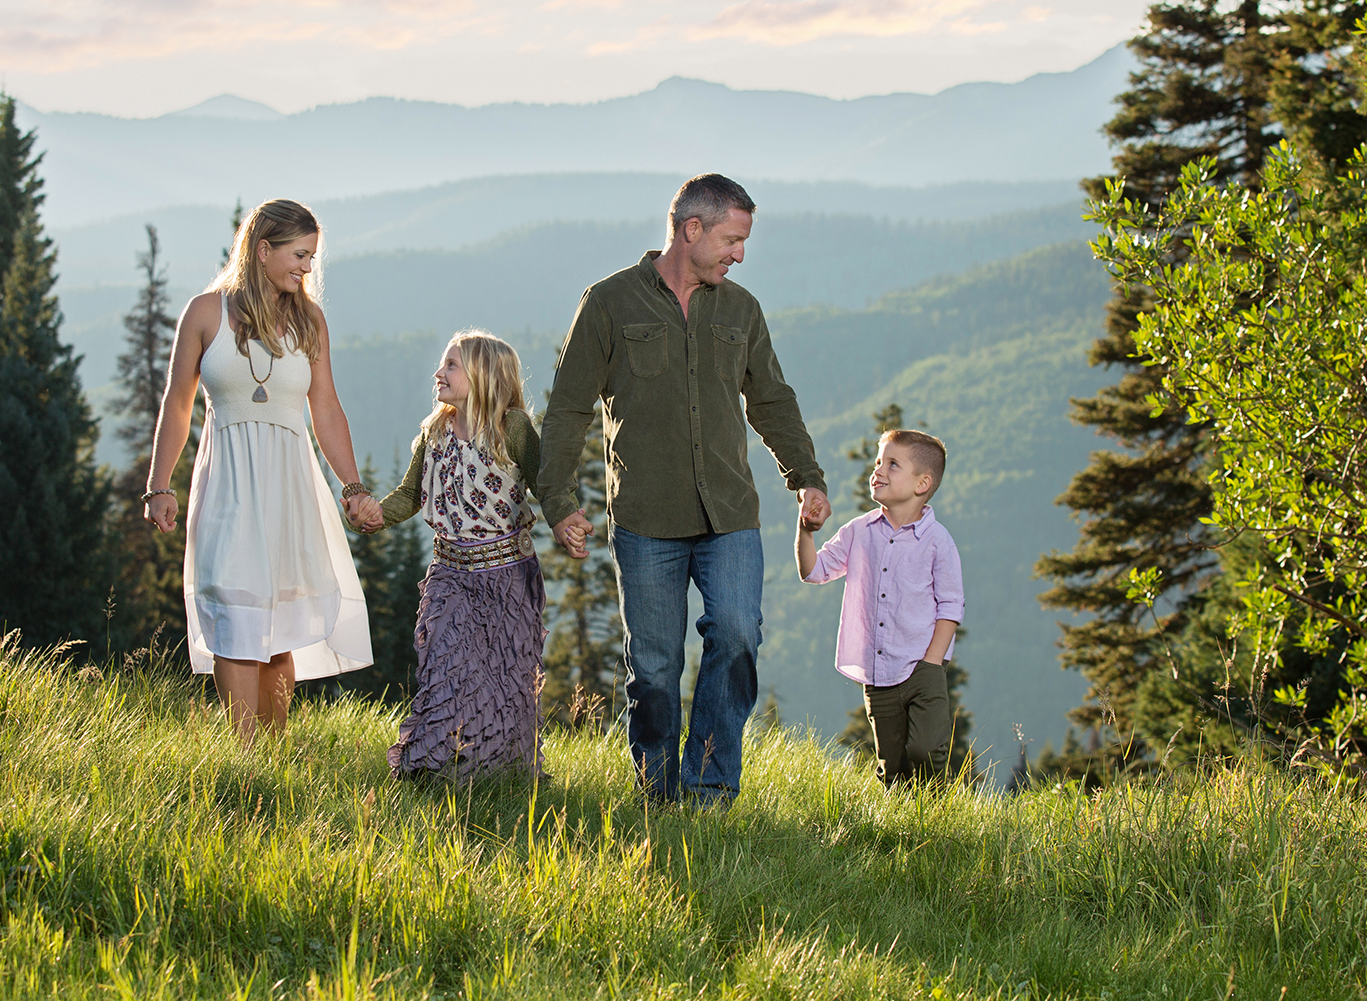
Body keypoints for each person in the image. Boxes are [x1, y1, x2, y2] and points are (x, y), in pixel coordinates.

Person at [539, 173, 829, 806]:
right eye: (731, 238)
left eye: (744, 241)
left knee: (737, 634)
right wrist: (558, 502)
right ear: (690, 229)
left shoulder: (742, 309)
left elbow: (772, 400)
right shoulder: (609, 303)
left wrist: (806, 477)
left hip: (730, 515)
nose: (740, 254)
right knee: (656, 668)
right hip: (646, 519)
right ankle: (656, 794)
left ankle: (711, 788)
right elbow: (566, 409)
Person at [144, 199, 382, 745]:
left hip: (289, 485)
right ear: (262, 249)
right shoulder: (205, 312)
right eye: (299, 255)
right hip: (227, 479)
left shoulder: (309, 320)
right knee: (235, 616)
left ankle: (272, 763)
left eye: (312, 257)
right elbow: (178, 404)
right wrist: (160, 484)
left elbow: (325, 408)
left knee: (278, 627)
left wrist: (352, 487)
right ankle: (242, 754)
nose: (307, 268)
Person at [375, 331, 580, 779]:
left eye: (451, 365)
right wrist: (373, 514)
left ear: (484, 375)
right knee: (446, 669)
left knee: (504, 679)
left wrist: (566, 519)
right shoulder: (434, 431)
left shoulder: (513, 429)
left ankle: (501, 773)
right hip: (448, 573)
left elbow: (547, 483)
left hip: (506, 576)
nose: (439, 373)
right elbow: (410, 495)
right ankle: (432, 768)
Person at [796, 429, 964, 788]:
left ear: (922, 484)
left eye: (892, 464)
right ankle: (901, 828)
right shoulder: (858, 531)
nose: (878, 471)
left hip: (924, 666)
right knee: (892, 764)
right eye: (877, 461)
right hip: (879, 671)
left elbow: (951, 606)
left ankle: (938, 814)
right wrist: (806, 531)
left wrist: (932, 664)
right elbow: (813, 571)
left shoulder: (938, 541)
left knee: (924, 749)